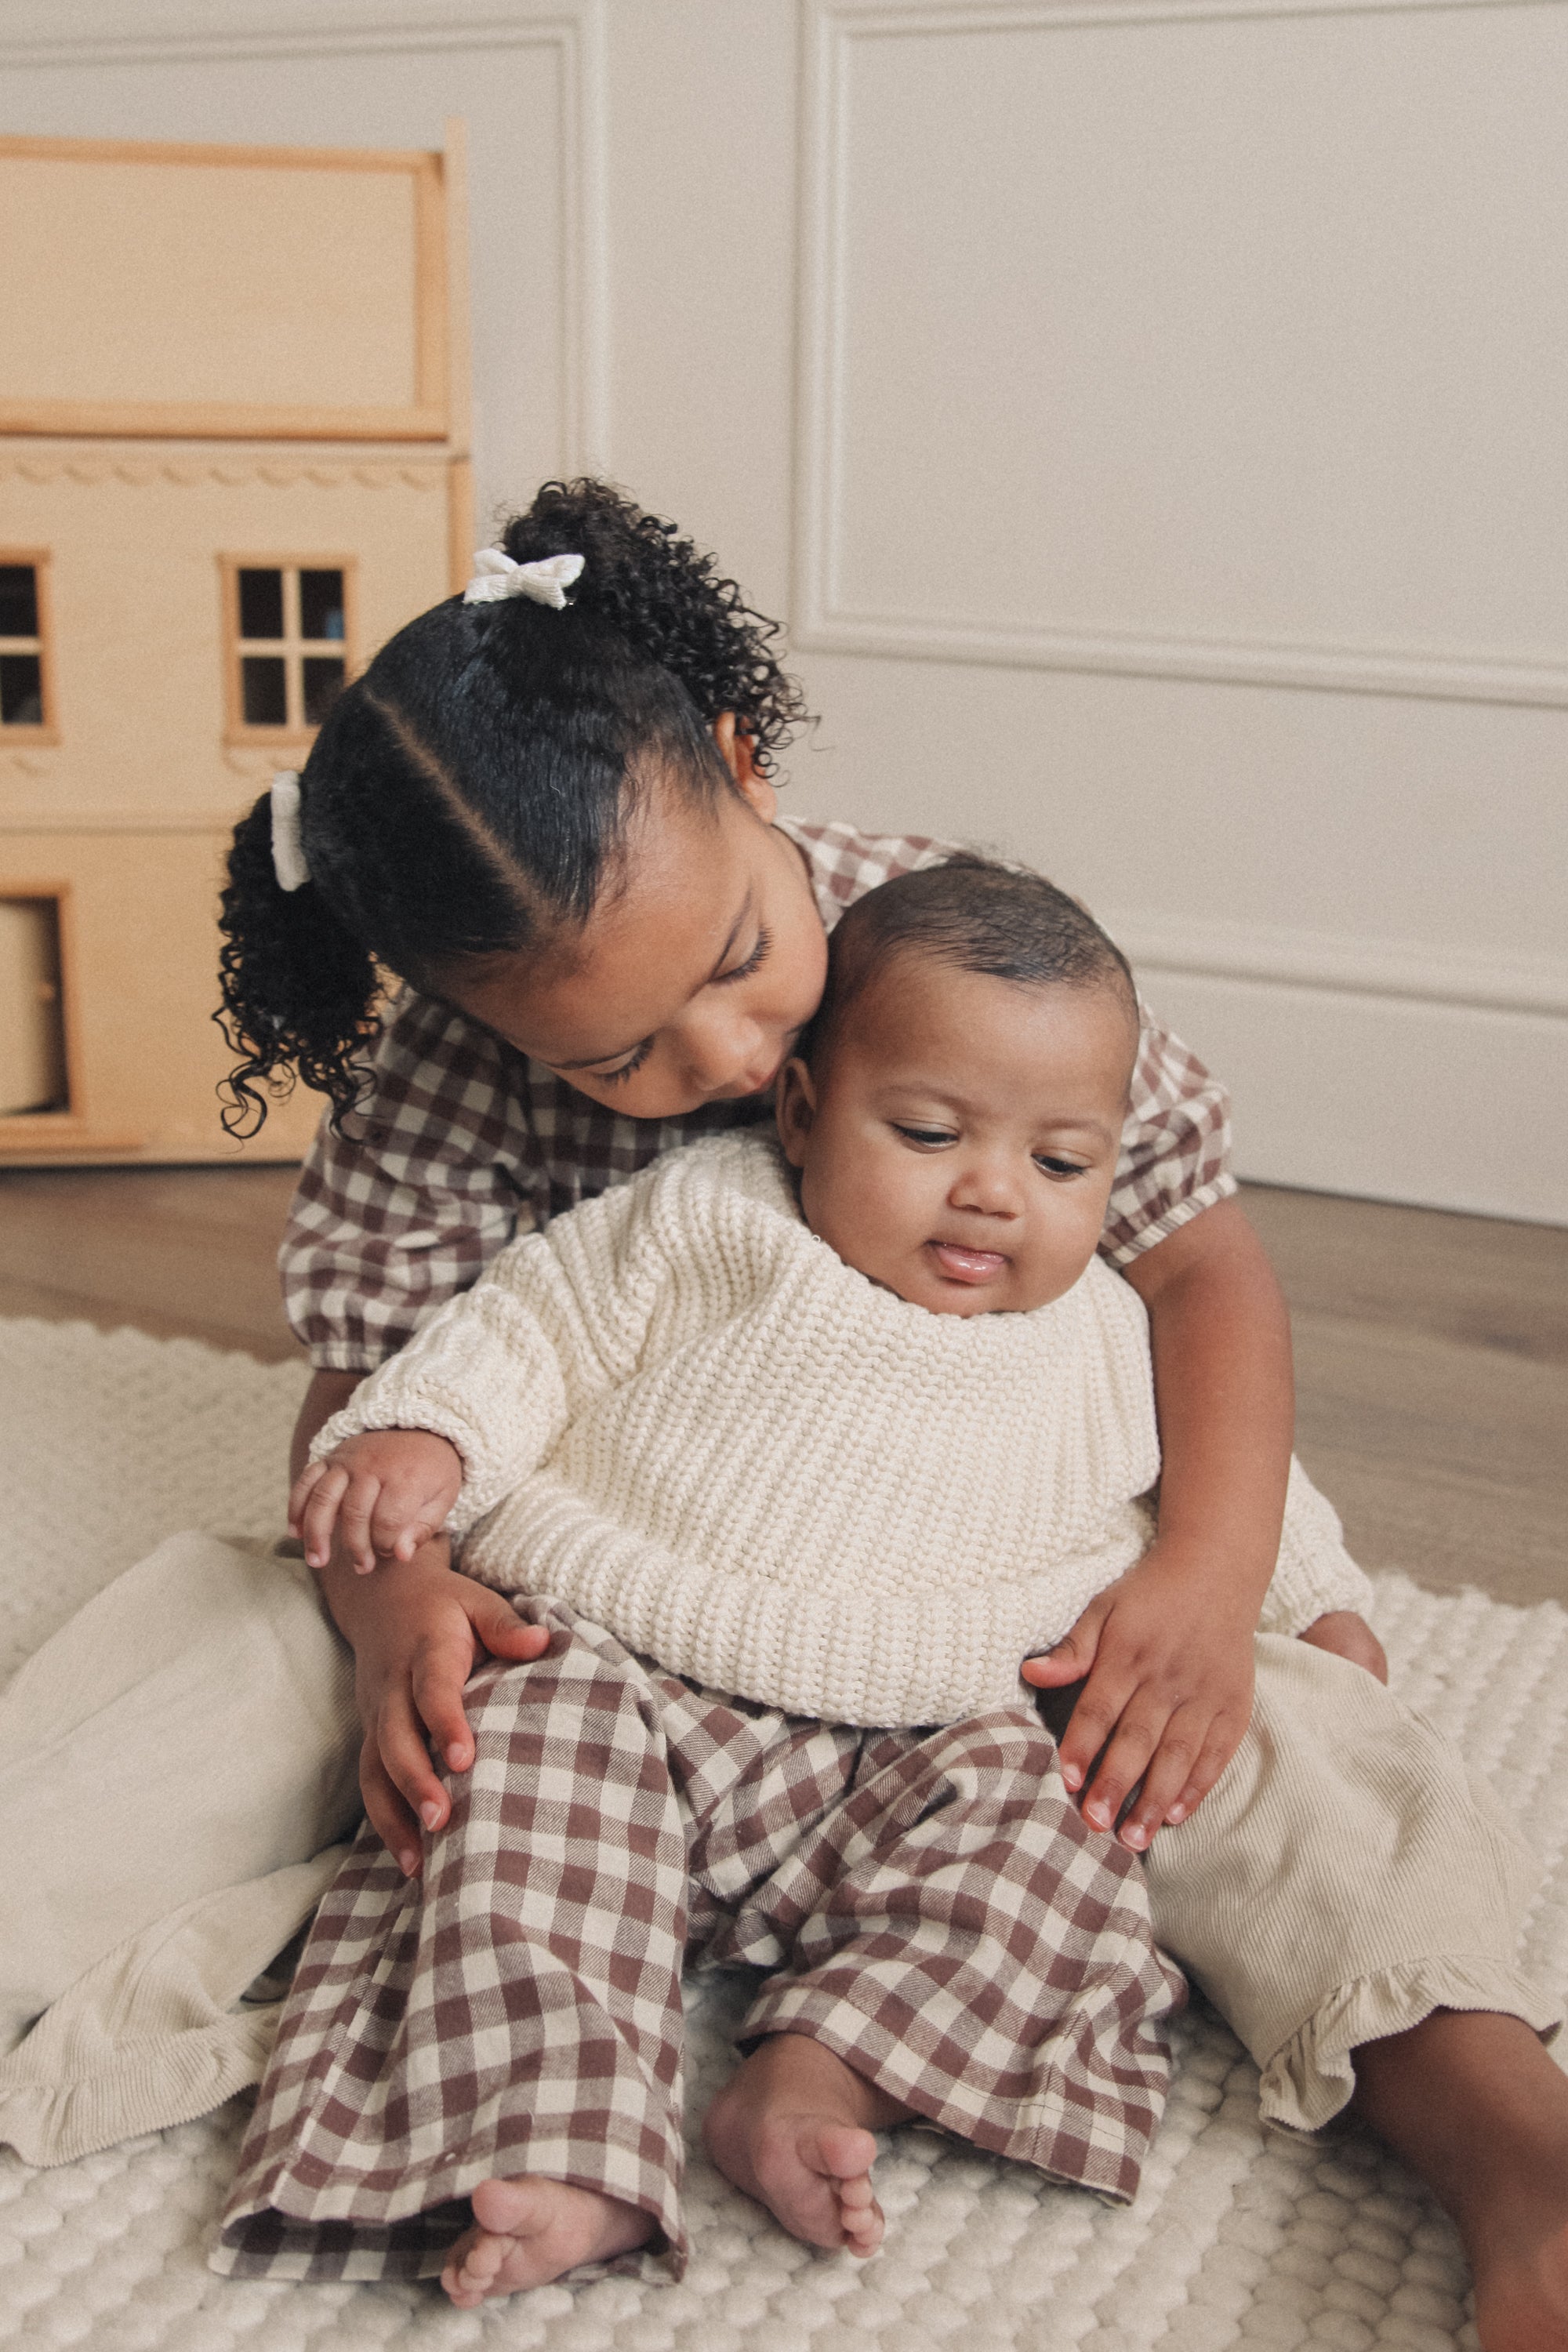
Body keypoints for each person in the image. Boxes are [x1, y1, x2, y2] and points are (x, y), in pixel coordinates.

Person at [212, 485, 1568, 2350]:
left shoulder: (944, 950)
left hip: (987, 1627)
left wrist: (1211, 1568)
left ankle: (1521, 2163)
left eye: (738, 961)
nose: (730, 1063)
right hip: (599, 1604)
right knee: (244, 1675)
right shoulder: (455, 1086)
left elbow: (1195, 1263)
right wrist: (394, 1608)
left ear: (749, 774)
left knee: (1285, 1756)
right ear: (480, 1023)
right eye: (617, 1058)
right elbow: (375, 1393)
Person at [234, 858, 1412, 2303]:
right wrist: (423, 1438)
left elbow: (1234, 1498)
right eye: (926, 1132)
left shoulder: (1104, 1325)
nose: (993, 1193)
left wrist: (1312, 1606)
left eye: (1063, 1165)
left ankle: (821, 2076)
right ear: (803, 1112)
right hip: (635, 1690)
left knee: (1078, 1846)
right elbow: (527, 1332)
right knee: (502, 1773)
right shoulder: (707, 1219)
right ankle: (553, 2133)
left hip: (935, 1747)